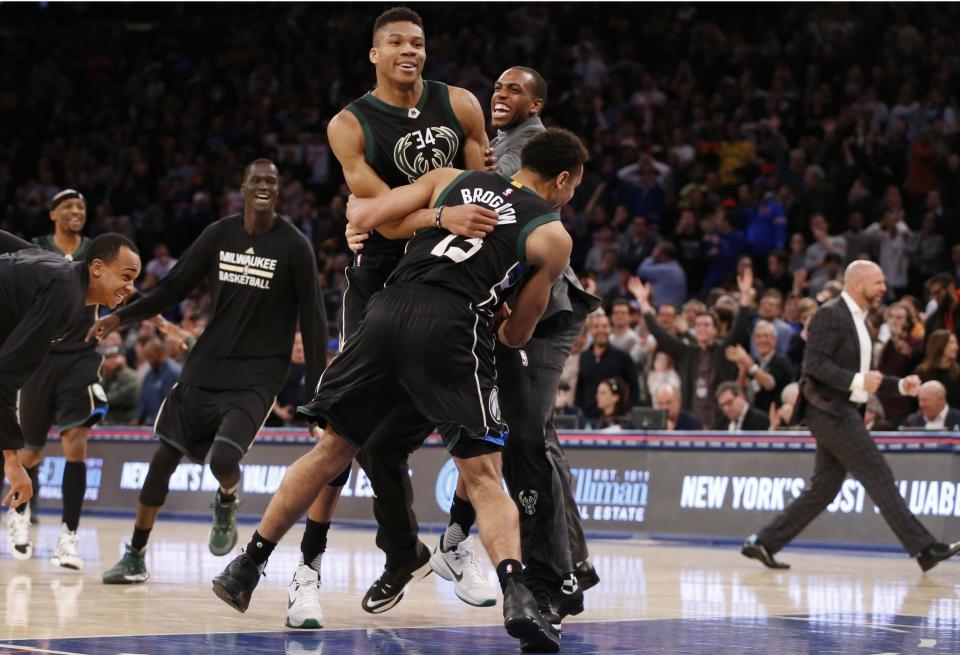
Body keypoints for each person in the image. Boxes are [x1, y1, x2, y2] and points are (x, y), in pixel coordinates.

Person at [211, 128, 587, 653]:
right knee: (482, 476)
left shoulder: (451, 178)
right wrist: (500, 314)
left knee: (330, 451)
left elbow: (363, 214)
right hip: (452, 327)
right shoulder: (553, 234)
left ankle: (247, 564)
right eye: (573, 189)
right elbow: (517, 335)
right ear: (563, 180)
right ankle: (517, 594)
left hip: (386, 312)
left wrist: (437, 217)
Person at [286, 6, 497, 629]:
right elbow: (376, 214)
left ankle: (450, 544)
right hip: (378, 284)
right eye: (397, 42)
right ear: (374, 54)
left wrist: (387, 215)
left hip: (448, 280)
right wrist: (430, 211)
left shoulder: (459, 104)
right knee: (340, 438)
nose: (411, 50)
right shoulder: (349, 124)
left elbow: (482, 192)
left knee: (478, 428)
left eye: (420, 42)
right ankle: (310, 571)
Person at [94, 159, 326, 584]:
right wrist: (120, 318)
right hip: (206, 365)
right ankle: (136, 555)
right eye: (256, 180)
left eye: (271, 182)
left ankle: (227, 497)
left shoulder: (294, 246)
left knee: (223, 457)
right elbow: (173, 287)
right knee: (161, 461)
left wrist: (315, 399)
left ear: (278, 192)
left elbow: (313, 323)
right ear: (241, 187)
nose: (263, 186)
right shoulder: (219, 234)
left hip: (258, 374)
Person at [742, 261, 960, 572]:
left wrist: (899, 385)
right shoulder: (830, 314)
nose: (884, 288)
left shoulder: (864, 322)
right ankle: (925, 548)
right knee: (878, 472)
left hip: (842, 409)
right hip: (828, 409)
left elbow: (864, 377)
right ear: (859, 285)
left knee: (824, 488)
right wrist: (857, 382)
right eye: (878, 282)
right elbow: (815, 365)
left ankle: (762, 542)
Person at [1, 231, 140, 560]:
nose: (130, 288)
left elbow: (10, 244)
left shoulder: (59, 271)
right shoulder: (65, 294)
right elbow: (4, 379)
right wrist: (12, 462)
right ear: (96, 268)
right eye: (126, 276)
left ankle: (69, 533)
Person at [14, 189, 108, 571]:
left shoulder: (96, 252)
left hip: (81, 357)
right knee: (31, 453)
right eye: (68, 206)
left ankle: (69, 538)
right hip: (38, 359)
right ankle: (20, 517)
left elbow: (125, 288)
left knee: (76, 443)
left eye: (82, 206)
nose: (76, 211)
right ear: (52, 213)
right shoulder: (34, 248)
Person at [629, 268, 754, 429]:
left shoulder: (723, 350)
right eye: (699, 325)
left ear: (716, 330)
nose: (702, 328)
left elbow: (739, 329)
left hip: (721, 421)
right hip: (691, 423)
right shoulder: (686, 352)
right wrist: (643, 302)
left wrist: (744, 298)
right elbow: (660, 334)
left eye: (707, 325)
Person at [725, 320, 794, 414]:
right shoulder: (752, 362)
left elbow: (769, 384)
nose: (762, 340)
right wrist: (742, 372)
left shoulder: (782, 362)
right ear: (754, 341)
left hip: (775, 416)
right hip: (753, 417)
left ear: (774, 340)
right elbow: (739, 392)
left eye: (766, 336)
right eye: (758, 336)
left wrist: (749, 365)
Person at [913, 330, 960, 409]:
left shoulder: (958, 372)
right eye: (951, 343)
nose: (956, 347)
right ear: (939, 345)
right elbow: (914, 404)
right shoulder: (922, 373)